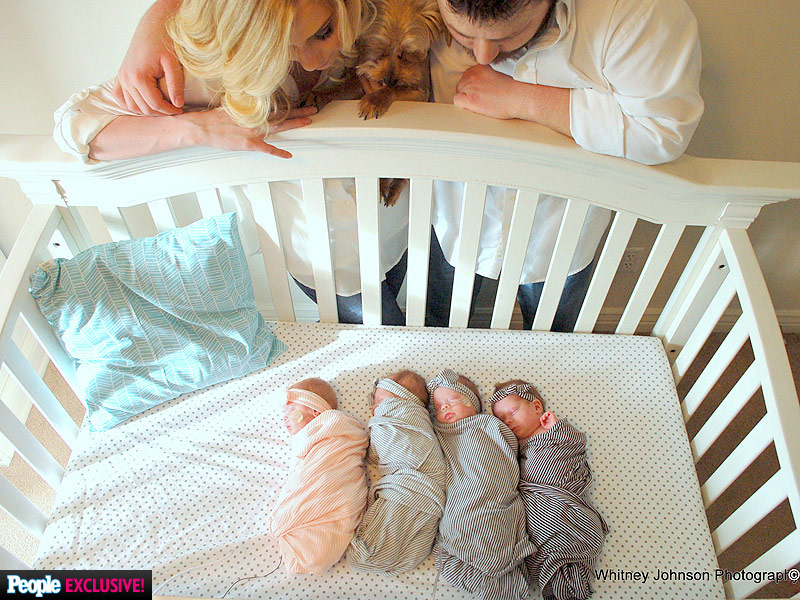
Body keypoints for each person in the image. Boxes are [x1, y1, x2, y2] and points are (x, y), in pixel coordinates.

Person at [53, 0, 410, 325]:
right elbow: (78, 127)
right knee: (386, 333)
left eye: (323, 32)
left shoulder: (373, 19)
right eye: (283, 47)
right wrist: (199, 128)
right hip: (323, 247)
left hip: (392, 213)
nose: (313, 60)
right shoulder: (208, 75)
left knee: (407, 308)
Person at [424, 0, 704, 330]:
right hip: (454, 210)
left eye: (509, 36)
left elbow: (663, 131)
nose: (484, 55)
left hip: (561, 226)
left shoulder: (639, 12)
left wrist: (520, 97)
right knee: (437, 319)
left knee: (554, 335)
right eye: (463, 35)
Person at [489, 380, 608, 600]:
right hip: (539, 516)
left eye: (513, 411)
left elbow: (576, 445)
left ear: (536, 407)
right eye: (502, 419)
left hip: (567, 513)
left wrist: (556, 429)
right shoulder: (514, 447)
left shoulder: (555, 432)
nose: (509, 421)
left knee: (565, 569)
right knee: (543, 561)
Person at [428, 368, 534, 600]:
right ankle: (488, 576)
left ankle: (499, 578)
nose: (444, 407)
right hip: (461, 505)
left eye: (452, 400)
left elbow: (510, 452)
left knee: (497, 533)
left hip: (493, 497)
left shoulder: (488, 425)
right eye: (438, 407)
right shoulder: (441, 433)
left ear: (473, 404)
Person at [347, 370, 447, 574]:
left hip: (413, 482)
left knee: (368, 552)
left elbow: (374, 455)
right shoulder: (421, 420)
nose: (375, 408)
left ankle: (383, 556)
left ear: (404, 400)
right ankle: (402, 555)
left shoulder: (397, 416)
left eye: (380, 401)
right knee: (412, 523)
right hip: (429, 485)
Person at [269, 377, 369, 574]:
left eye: (290, 411)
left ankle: (308, 543)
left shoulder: (333, 426)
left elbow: (324, 470)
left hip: (337, 482)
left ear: (315, 411)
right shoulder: (312, 440)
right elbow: (304, 474)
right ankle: (310, 547)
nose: (285, 418)